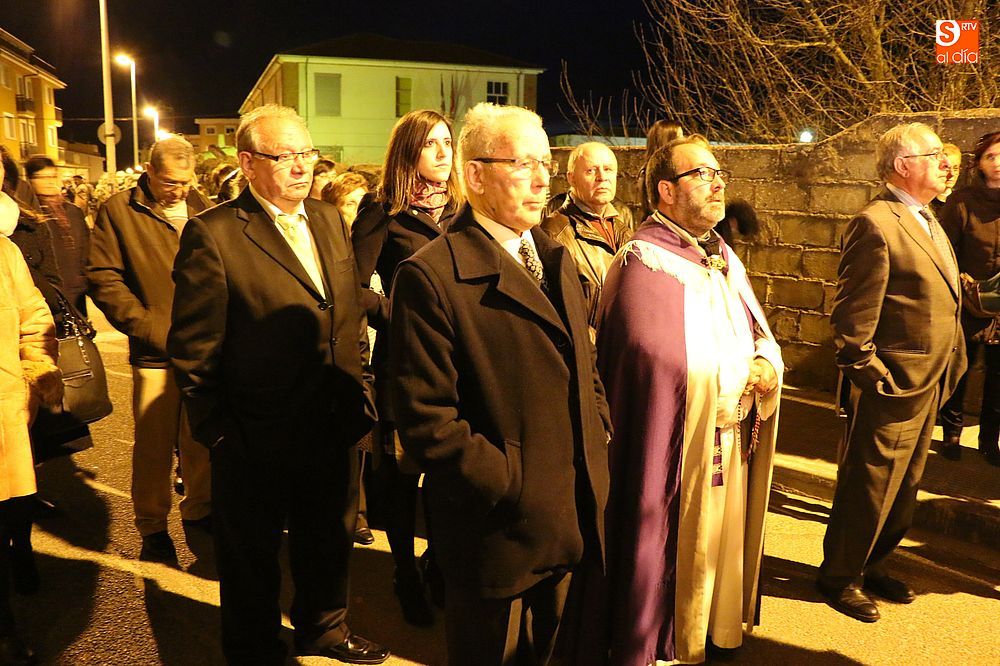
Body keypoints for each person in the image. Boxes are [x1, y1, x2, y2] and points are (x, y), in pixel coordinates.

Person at [389, 102, 611, 664]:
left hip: (571, 518)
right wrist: (512, 482)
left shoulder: (555, 258)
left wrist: (598, 428)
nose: (542, 180)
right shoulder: (432, 275)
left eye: (545, 163)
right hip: (497, 536)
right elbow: (427, 420)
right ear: (476, 175)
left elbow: (583, 362)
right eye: (522, 164)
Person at [168, 104, 387, 666]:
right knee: (251, 554)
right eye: (284, 156)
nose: (300, 166)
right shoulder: (214, 233)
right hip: (254, 432)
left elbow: (345, 310)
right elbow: (194, 348)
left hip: (334, 418)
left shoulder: (328, 218)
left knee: (328, 537)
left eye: (306, 153)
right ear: (247, 163)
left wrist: (361, 385)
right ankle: (254, 647)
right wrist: (218, 433)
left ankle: (325, 628)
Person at [594, 135, 783, 665]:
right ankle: (660, 640)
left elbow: (756, 328)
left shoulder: (721, 255)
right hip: (677, 440)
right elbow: (652, 359)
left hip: (727, 432)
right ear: (666, 191)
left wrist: (766, 363)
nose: (717, 183)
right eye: (701, 173)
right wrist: (736, 376)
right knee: (675, 538)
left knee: (720, 538)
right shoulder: (643, 260)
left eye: (719, 173)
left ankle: (711, 632)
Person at [819, 123, 966, 623]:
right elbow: (852, 316)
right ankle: (839, 576)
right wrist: (875, 376)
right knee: (870, 485)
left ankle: (873, 563)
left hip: (931, 380)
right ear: (903, 166)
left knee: (903, 487)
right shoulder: (876, 223)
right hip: (894, 384)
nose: (945, 163)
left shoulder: (927, 218)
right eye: (933, 155)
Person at [350, 108, 463, 626]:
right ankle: (403, 570)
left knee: (449, 469)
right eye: (431, 144)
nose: (443, 153)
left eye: (448, 142)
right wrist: (398, 312)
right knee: (400, 474)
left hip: (457, 362)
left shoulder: (461, 208)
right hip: (405, 361)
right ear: (407, 151)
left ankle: (439, 560)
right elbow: (351, 286)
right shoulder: (384, 210)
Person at [88, 136, 213, 564]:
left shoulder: (203, 206)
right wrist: (145, 325)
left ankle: (199, 511)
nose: (178, 191)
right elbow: (103, 276)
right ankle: (153, 526)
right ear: (150, 171)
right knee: (154, 447)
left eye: (185, 182)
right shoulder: (120, 210)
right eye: (169, 182)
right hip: (155, 351)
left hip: (203, 349)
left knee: (200, 440)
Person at [0, 213, 63, 666]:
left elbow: (34, 317)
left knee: (10, 508)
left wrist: (34, 373)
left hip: (4, 405)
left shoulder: (4, 252)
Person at [937, 131, 1000, 465]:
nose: (998, 163)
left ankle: (990, 440)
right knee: (959, 368)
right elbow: (944, 251)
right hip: (968, 301)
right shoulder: (962, 202)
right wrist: (962, 284)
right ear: (980, 163)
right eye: (991, 156)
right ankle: (952, 432)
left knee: (998, 379)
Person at [541, 142, 632, 332]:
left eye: (608, 169)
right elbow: (555, 311)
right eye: (591, 170)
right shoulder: (554, 232)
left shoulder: (624, 229)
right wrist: (592, 346)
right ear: (571, 178)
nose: (602, 177)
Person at [24, 156, 90, 315]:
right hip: (48, 298)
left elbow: (87, 248)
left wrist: (84, 279)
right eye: (41, 177)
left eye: (52, 176)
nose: (49, 181)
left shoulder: (73, 212)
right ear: (30, 180)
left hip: (77, 294)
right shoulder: (29, 215)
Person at [638, 119, 685, 218]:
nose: (683, 141)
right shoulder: (650, 172)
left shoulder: (674, 167)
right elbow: (652, 207)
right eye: (679, 137)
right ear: (668, 140)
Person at [930, 143, 962, 215]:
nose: (952, 174)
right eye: (946, 168)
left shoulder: (962, 202)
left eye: (955, 168)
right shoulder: (926, 202)